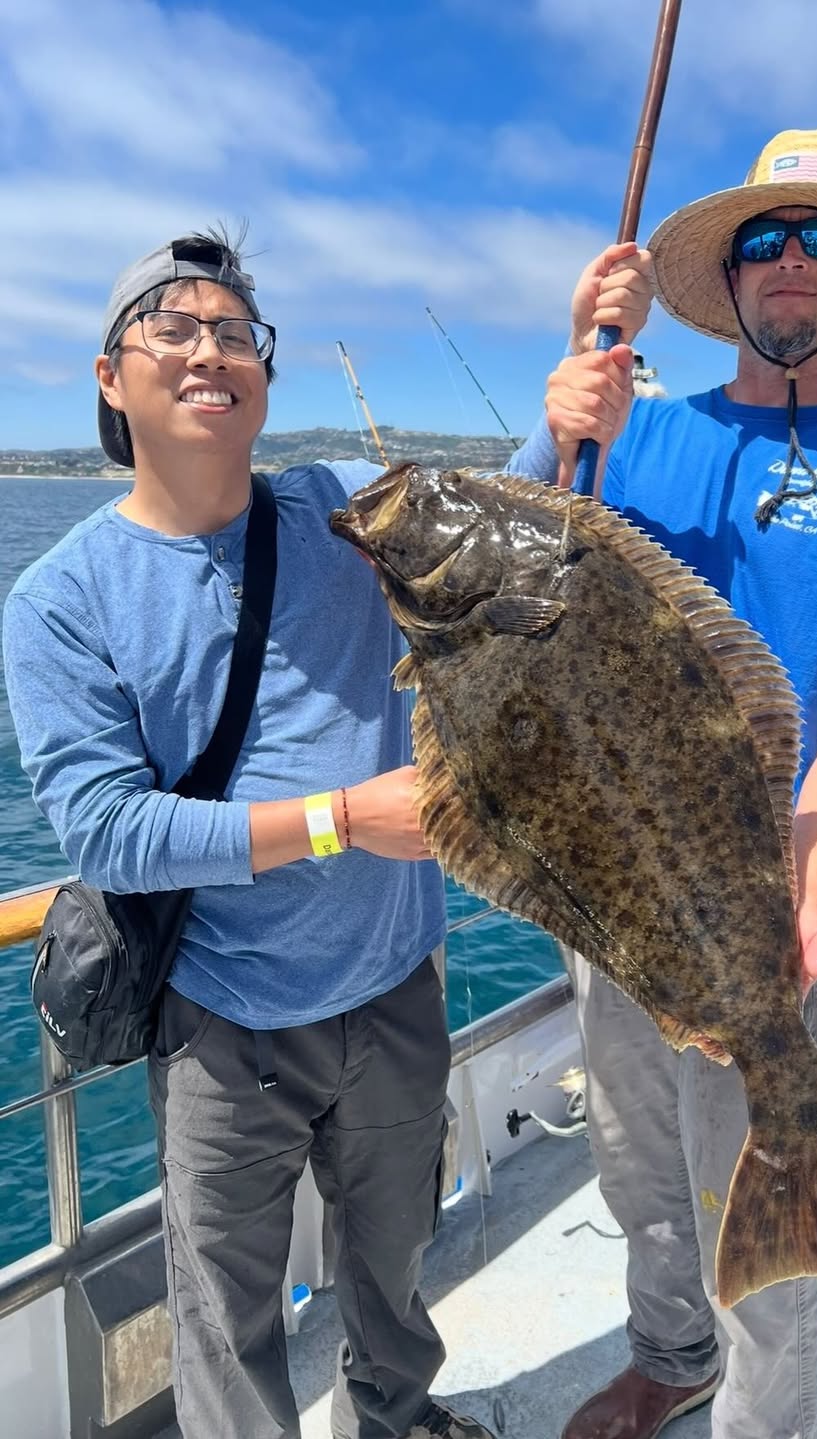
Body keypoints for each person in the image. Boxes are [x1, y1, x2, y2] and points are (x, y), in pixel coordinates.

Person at [510, 127, 817, 1439]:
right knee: (640, 1166)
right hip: (614, 890)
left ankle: (766, 1419)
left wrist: (809, 888)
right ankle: (670, 1352)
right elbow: (506, 589)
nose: (793, 259)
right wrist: (553, 434)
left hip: (771, 897)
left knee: (760, 1222)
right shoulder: (630, 434)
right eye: (767, 236)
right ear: (729, 273)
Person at [2, 231, 494, 1439]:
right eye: (172, 328)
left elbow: (499, 552)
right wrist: (345, 816)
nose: (211, 349)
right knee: (227, 1311)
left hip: (393, 980)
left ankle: (396, 1415)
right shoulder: (60, 598)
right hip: (226, 1014)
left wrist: (565, 408)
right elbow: (111, 832)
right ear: (112, 379)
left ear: (264, 377)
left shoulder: (337, 505)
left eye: (236, 331)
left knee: (395, 1254)